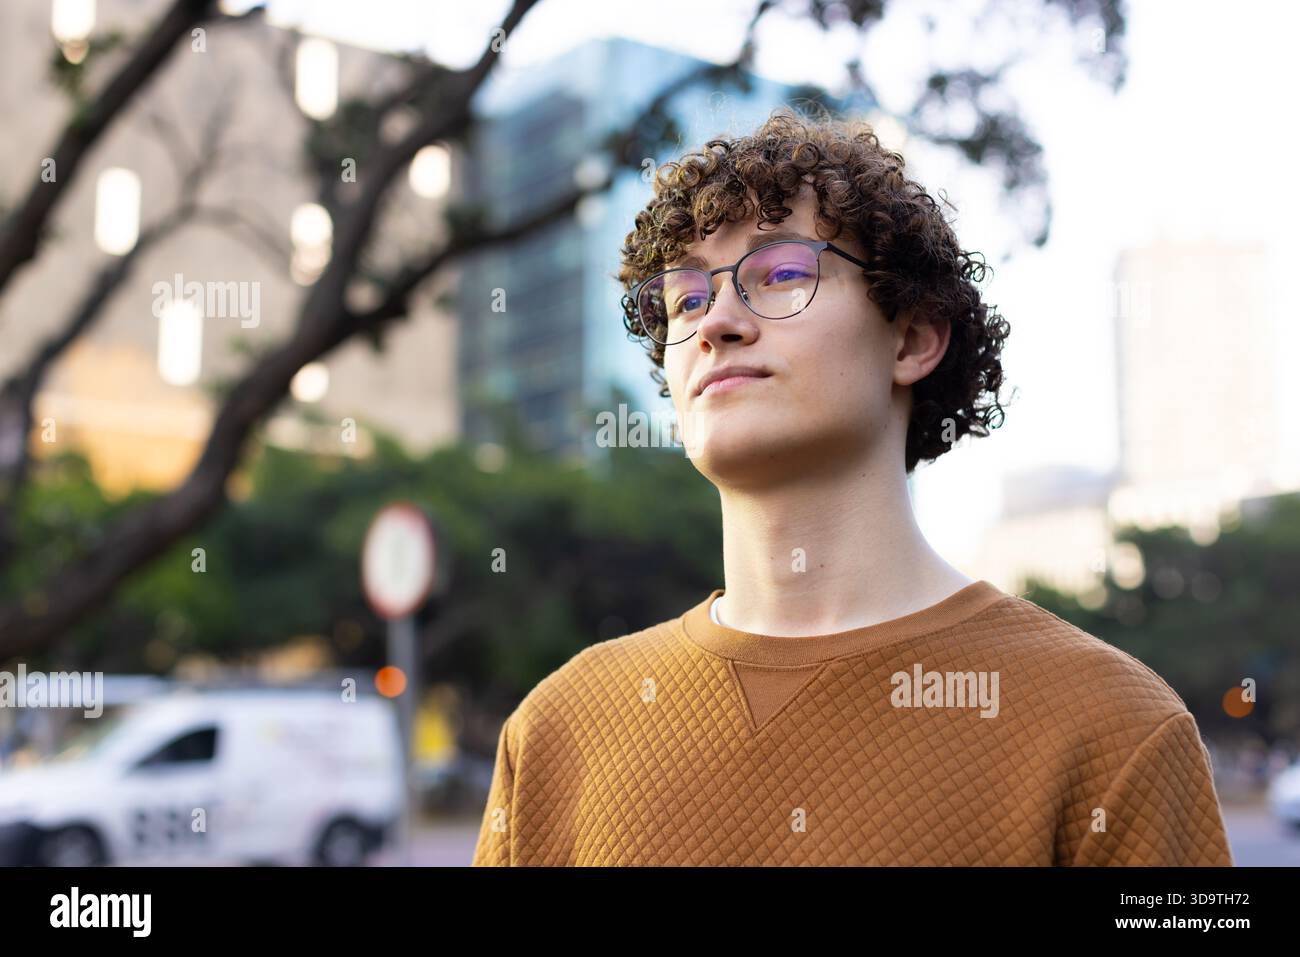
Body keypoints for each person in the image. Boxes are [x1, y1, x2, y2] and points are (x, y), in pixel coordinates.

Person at [471, 107, 1233, 866]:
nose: (716, 323)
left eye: (782, 274)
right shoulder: (554, 735)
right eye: (686, 298)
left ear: (912, 338)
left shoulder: (1112, 731)